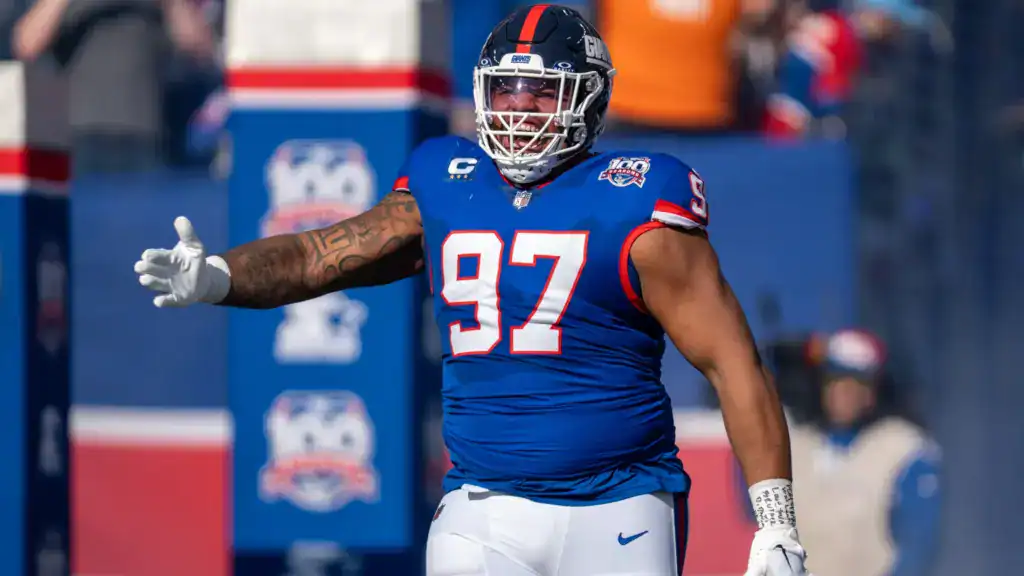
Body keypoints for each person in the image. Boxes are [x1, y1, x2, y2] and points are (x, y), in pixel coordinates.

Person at [134, 5, 809, 575]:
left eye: (542, 92)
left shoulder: (635, 195)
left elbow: (733, 363)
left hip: (620, 505)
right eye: (506, 90)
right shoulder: (446, 179)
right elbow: (321, 255)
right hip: (484, 507)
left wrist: (776, 522)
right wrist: (219, 276)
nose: (520, 109)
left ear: (588, 99)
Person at [791, 329, 941, 576]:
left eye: (857, 383)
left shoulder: (902, 448)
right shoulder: (798, 444)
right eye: (835, 381)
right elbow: (751, 503)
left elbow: (917, 546)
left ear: (874, 391)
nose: (844, 392)